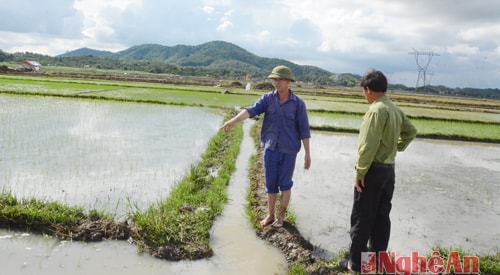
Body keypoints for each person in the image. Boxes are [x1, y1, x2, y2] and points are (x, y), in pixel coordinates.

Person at [339, 69, 417, 273]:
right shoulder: (394, 108)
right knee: (382, 217)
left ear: (368, 90)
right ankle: (379, 262)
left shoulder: (376, 110)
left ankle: (355, 264)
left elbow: (368, 146)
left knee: (361, 217)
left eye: (364, 91)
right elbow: (411, 131)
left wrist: (359, 172)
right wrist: (396, 147)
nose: (364, 95)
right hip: (389, 172)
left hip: (372, 171)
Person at [221, 65, 311, 228]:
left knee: (285, 184)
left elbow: (304, 130)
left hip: (289, 150)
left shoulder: (298, 104)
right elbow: (251, 111)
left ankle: (281, 216)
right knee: (270, 184)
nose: (276, 82)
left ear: (288, 81)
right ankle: (270, 215)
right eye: (274, 79)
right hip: (270, 148)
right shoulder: (267, 99)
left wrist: (307, 154)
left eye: (280, 79)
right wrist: (233, 120)